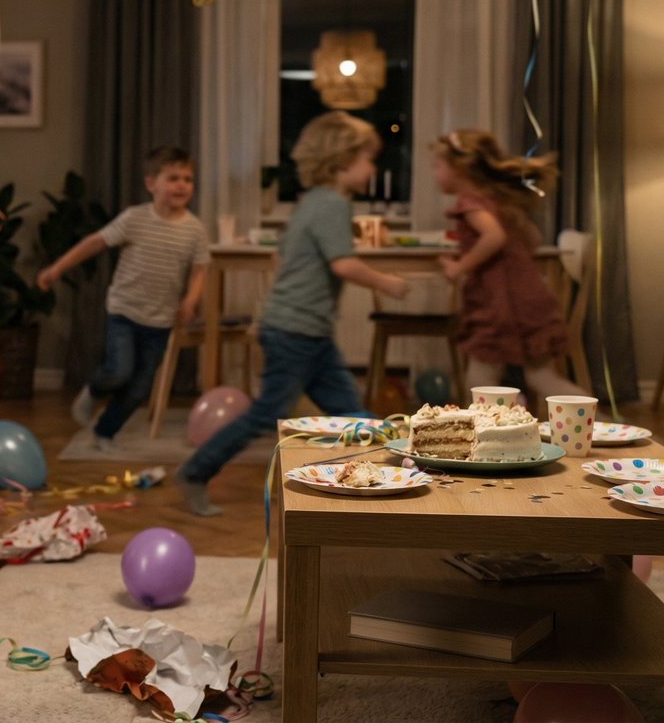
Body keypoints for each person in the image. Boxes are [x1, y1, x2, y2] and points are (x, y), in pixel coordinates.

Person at [174, 112, 409, 516]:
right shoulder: (332, 204)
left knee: (352, 414)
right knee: (268, 413)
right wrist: (387, 283)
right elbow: (342, 264)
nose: (373, 168)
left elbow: (280, 260)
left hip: (308, 332)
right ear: (341, 161)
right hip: (295, 333)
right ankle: (195, 471)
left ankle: (373, 480)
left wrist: (265, 316)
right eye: (368, 159)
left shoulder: (310, 203)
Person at [36, 145, 209, 453]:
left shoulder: (195, 230)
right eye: (173, 178)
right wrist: (57, 268)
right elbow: (94, 243)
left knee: (139, 388)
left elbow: (199, 270)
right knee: (119, 370)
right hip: (125, 312)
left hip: (160, 320)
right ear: (151, 183)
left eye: (187, 179)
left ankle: (105, 432)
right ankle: (93, 390)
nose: (182, 185)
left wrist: (190, 301)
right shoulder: (134, 218)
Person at [433, 129, 585, 401]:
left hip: (501, 305)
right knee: (541, 377)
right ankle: (591, 419)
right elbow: (532, 239)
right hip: (528, 299)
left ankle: (510, 421)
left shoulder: (471, 204)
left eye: (438, 165)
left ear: (459, 169)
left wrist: (459, 267)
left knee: (480, 382)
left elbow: (494, 236)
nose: (435, 172)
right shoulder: (499, 203)